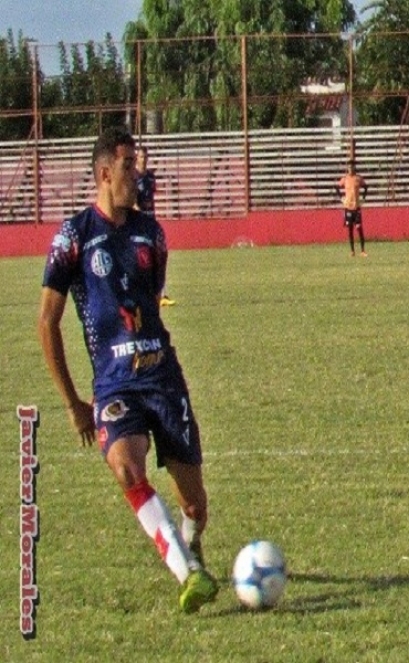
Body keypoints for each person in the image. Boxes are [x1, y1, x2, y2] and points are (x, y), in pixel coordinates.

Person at [38, 127, 219, 612]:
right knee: (126, 467)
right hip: (115, 384)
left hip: (162, 378)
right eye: (127, 166)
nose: (137, 175)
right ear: (103, 173)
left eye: (137, 164)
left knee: (196, 505)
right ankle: (189, 575)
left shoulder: (151, 233)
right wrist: (74, 404)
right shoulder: (73, 237)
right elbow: (47, 322)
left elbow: (151, 298)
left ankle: (191, 540)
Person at [135, 145, 175, 307]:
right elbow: (132, 201)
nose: (143, 160)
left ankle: (162, 294)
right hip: (139, 223)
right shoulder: (132, 177)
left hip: (152, 222)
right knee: (141, 257)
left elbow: (151, 198)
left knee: (160, 254)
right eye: (141, 157)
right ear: (136, 158)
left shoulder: (151, 177)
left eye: (146, 157)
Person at [335, 160, 369, 257]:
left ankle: (362, 251)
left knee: (359, 228)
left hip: (357, 207)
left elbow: (366, 187)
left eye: (352, 167)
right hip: (348, 207)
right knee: (350, 229)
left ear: (354, 168)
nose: (351, 169)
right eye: (349, 167)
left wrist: (363, 198)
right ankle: (352, 251)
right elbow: (337, 187)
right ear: (348, 168)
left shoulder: (358, 178)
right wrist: (341, 198)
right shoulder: (345, 179)